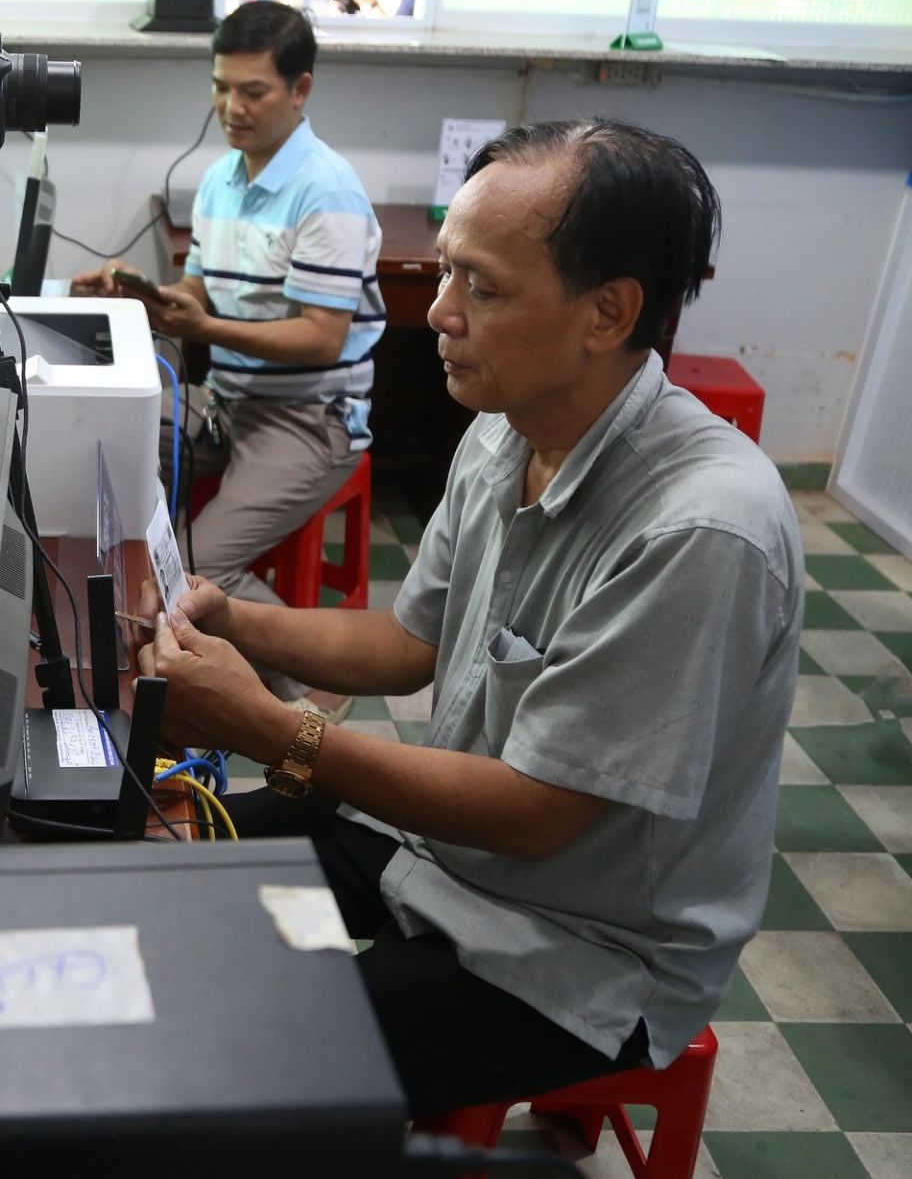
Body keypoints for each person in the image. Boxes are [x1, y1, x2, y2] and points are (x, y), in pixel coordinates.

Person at [138, 118, 802, 1117]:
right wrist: (230, 620)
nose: (440, 312)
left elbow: (536, 815)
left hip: (577, 948)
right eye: (447, 276)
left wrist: (272, 728)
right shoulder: (506, 431)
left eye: (481, 288)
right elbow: (410, 645)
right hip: (438, 851)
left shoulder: (703, 528)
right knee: (169, 860)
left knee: (249, 1063)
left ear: (607, 312)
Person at [74, 0, 384, 723]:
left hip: (310, 417)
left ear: (300, 91)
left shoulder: (325, 188)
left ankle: (307, 697)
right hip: (231, 402)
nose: (230, 107)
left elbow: (321, 338)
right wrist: (147, 296)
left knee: (201, 567)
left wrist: (205, 323)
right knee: (99, 453)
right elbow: (201, 291)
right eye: (220, 88)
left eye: (253, 92)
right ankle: (134, 648)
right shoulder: (222, 180)